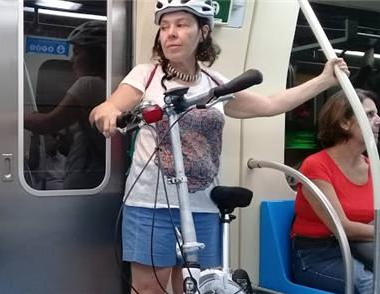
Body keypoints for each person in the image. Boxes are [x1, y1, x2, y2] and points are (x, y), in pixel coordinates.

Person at [88, 0, 349, 293]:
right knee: (150, 288)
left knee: (197, 286)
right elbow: (107, 107)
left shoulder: (216, 85)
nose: (170, 33)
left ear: (203, 32)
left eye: (181, 25)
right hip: (151, 203)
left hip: (203, 205)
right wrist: (108, 113)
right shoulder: (146, 76)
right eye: (164, 27)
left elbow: (270, 104)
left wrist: (325, 80)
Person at [291, 89, 378, 294]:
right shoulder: (316, 166)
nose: (378, 120)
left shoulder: (373, 166)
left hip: (358, 248)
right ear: (344, 123)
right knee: (371, 284)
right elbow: (342, 227)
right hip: (317, 255)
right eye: (369, 114)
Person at [24, 21, 107, 189]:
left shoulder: (88, 85)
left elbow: (46, 123)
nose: (71, 60)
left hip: (86, 183)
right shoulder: (105, 87)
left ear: (95, 55)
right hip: (89, 179)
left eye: (77, 53)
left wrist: (7, 116)